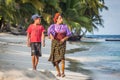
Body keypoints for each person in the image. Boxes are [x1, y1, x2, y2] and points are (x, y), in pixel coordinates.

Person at [47, 13, 71, 77]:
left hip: (62, 43)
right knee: (55, 60)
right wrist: (51, 36)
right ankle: (58, 72)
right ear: (56, 19)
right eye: (60, 18)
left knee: (62, 58)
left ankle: (63, 73)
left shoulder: (65, 26)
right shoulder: (53, 26)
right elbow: (49, 33)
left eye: (61, 18)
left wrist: (64, 39)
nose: (61, 19)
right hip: (55, 43)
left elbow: (68, 35)